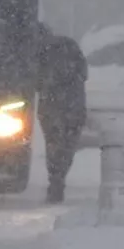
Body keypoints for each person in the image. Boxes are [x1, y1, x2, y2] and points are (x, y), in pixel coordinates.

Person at [35, 24, 88, 203]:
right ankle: (59, 178)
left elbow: (35, 82)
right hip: (74, 106)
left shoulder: (41, 53)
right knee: (67, 145)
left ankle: (56, 180)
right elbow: (84, 72)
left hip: (53, 106)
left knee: (53, 144)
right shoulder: (70, 46)